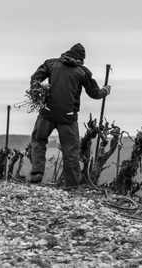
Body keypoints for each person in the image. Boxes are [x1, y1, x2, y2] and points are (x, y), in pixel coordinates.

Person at [28, 43, 111, 187]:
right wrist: (105, 90)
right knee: (71, 150)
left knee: (38, 140)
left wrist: (38, 91)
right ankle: (72, 185)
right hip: (68, 116)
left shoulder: (51, 64)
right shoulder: (82, 72)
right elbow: (94, 93)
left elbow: (35, 78)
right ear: (81, 59)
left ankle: (36, 174)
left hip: (47, 112)